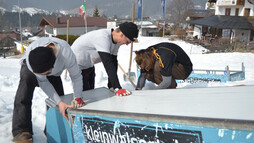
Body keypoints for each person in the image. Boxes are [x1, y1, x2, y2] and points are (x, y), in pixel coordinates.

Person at [12, 37, 85, 142]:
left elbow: (76, 76)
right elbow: (43, 82)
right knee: (25, 86)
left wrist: (77, 97)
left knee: (60, 99)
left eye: (45, 73)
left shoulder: (66, 53)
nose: (43, 75)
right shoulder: (31, 56)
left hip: (52, 71)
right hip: (31, 69)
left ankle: (51, 129)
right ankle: (21, 131)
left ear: (53, 64)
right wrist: (59, 102)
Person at [71, 22, 139, 96]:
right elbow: (107, 63)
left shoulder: (116, 43)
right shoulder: (102, 37)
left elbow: (113, 62)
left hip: (89, 65)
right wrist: (117, 87)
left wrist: (112, 86)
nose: (126, 44)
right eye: (127, 41)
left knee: (91, 92)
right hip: (78, 66)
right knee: (86, 95)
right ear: (122, 35)